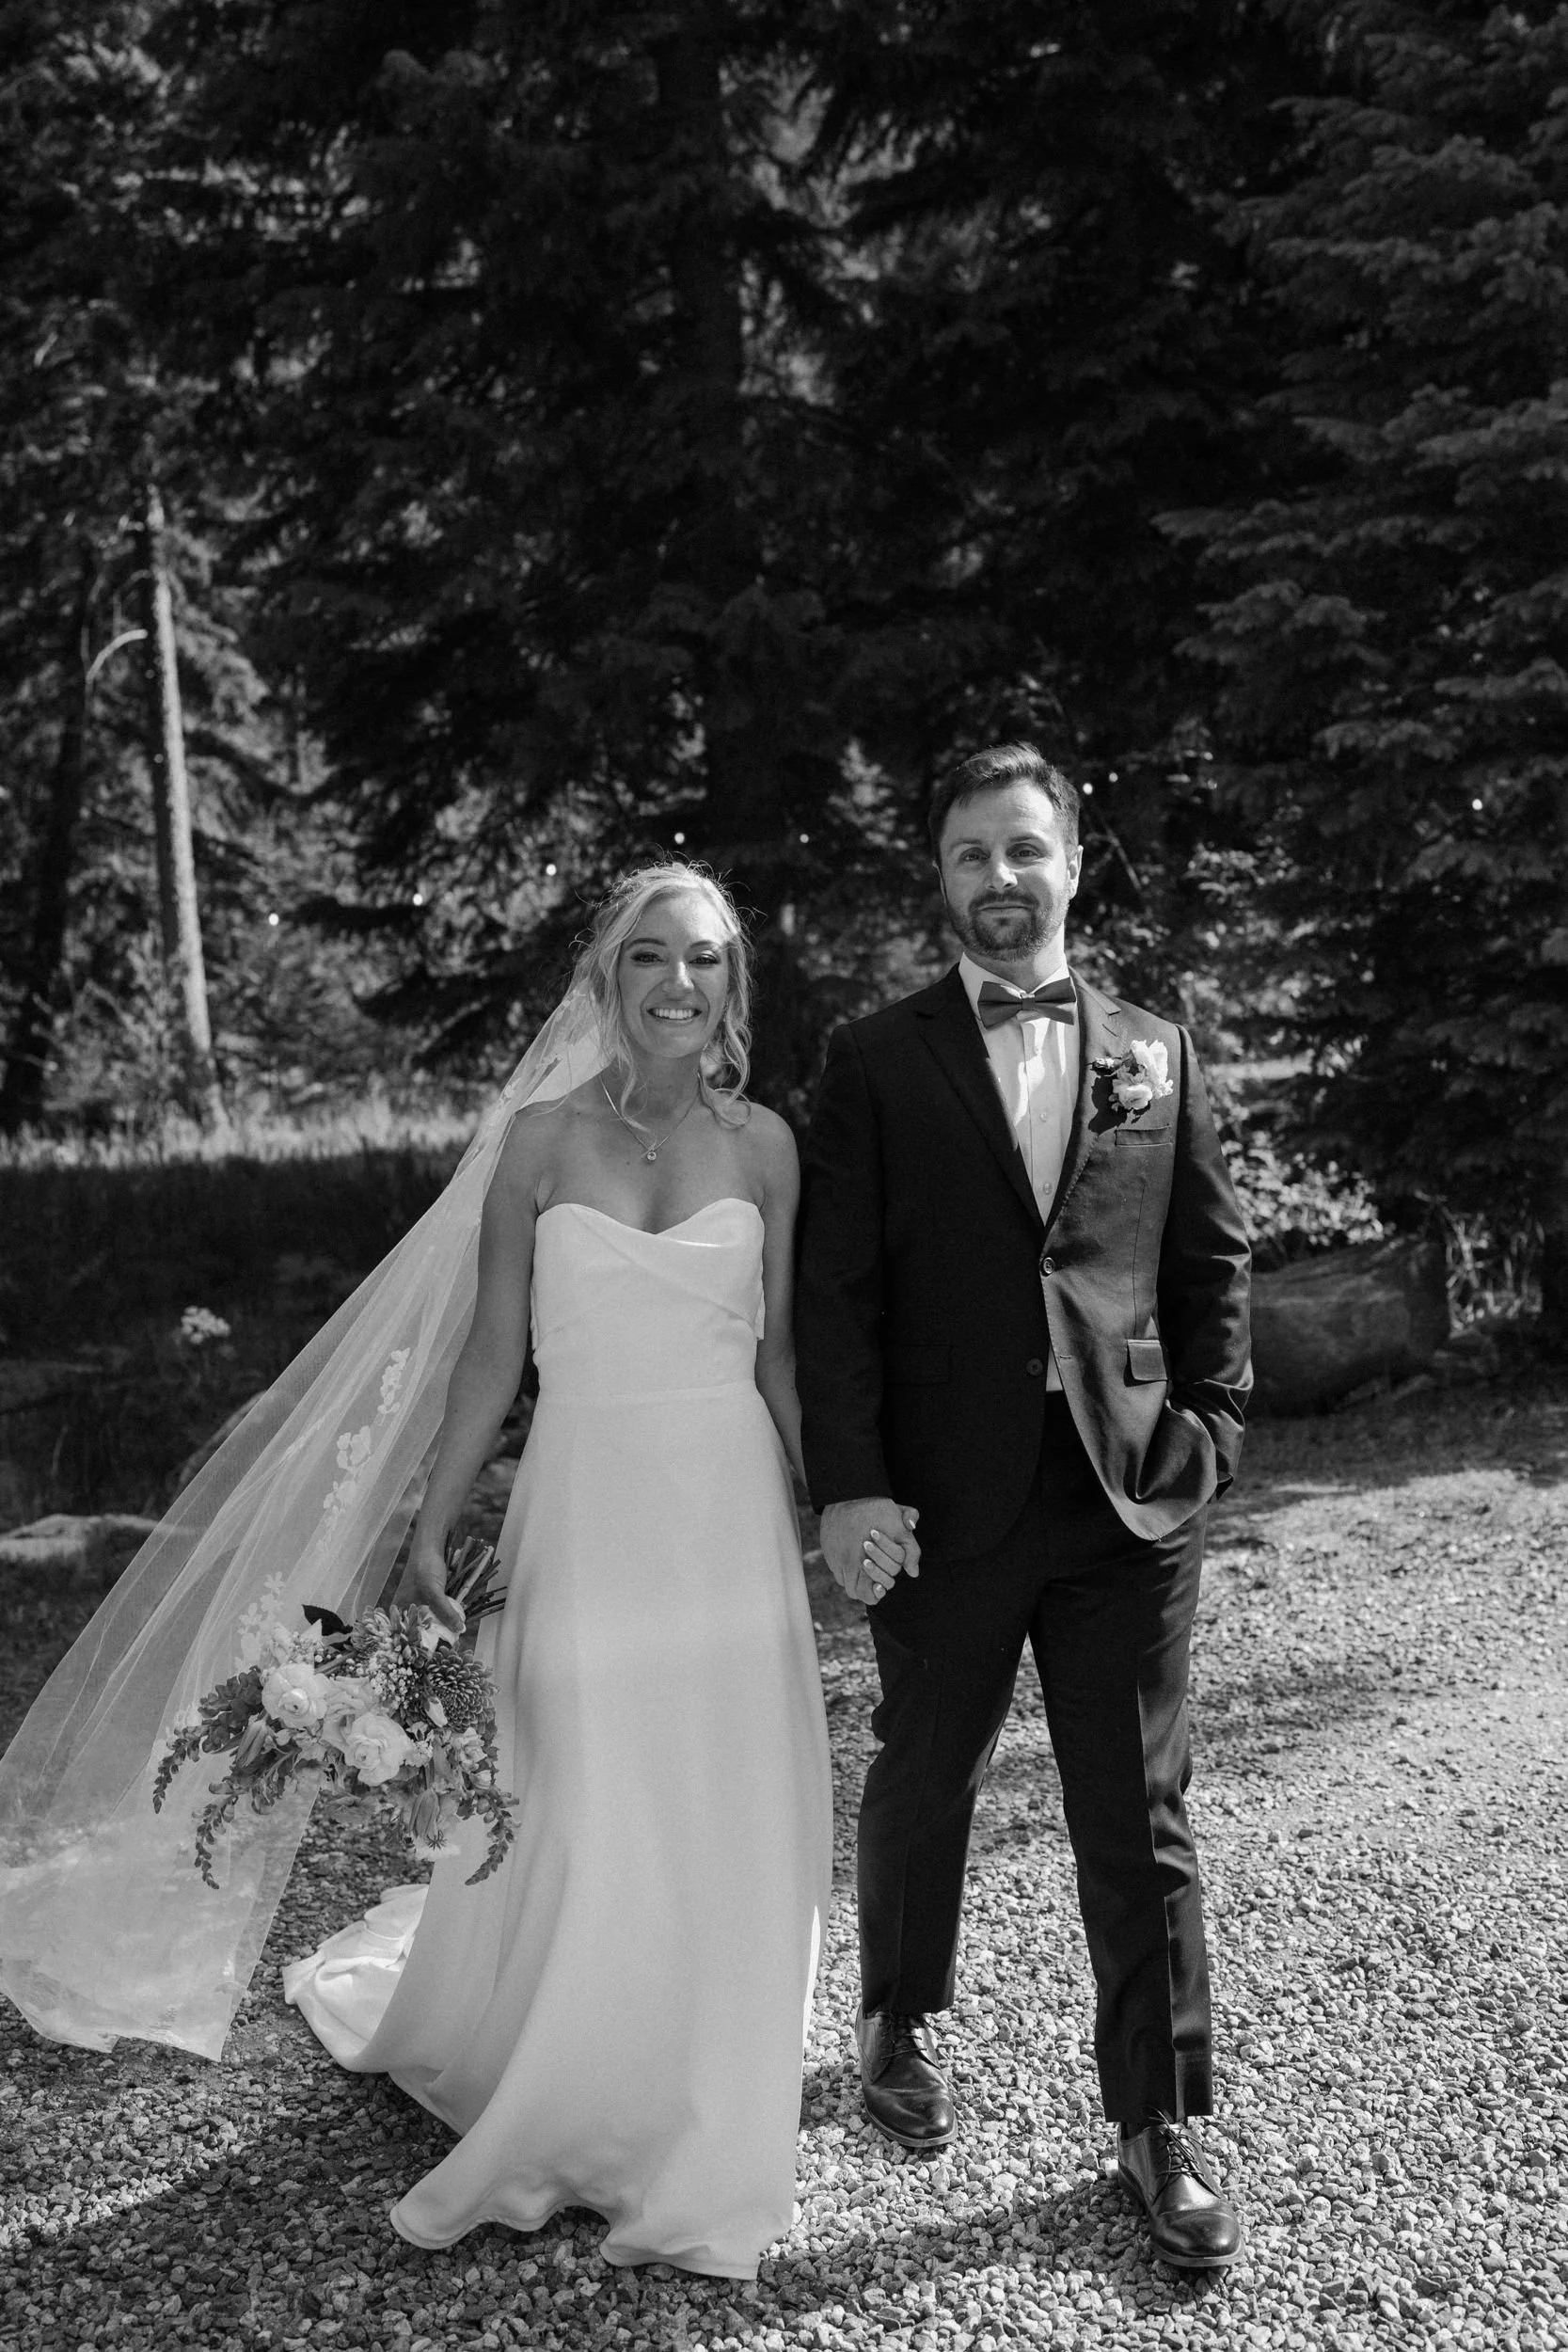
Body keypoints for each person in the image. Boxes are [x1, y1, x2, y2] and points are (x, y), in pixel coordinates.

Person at [0, 864, 834, 2283]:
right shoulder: (535, 1144)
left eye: (704, 960)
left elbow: (780, 1358)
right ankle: (565, 2077)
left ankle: (699, 2087)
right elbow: (489, 1360)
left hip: (727, 1509)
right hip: (585, 1504)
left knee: (719, 1786)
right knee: (584, 1788)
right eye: (650, 957)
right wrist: (429, 1526)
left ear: (733, 988)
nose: (678, 984)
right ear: (606, 977)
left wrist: (829, 1510)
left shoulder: (766, 1147)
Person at [795, 743, 1252, 2271]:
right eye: (968, 856)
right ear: (938, 879)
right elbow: (836, 1297)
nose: (1000, 880)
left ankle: (1154, 2122)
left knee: (1137, 1817)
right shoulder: (872, 1059)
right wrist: (850, 1485)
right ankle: (892, 2019)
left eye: (1023, 849)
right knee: (924, 1773)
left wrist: (1213, 1433)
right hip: (939, 1501)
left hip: (1129, 1498)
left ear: (1071, 860)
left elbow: (1211, 1260)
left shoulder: (1156, 1048)